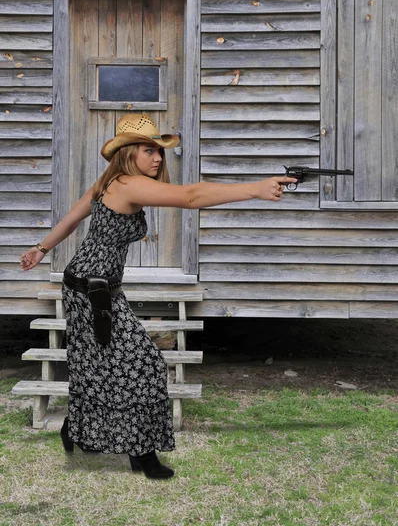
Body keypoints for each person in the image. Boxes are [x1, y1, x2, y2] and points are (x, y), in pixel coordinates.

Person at [20, 113, 296, 479]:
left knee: (94, 365)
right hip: (91, 292)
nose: (157, 158)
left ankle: (77, 430)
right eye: (149, 150)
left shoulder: (109, 182)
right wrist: (254, 188)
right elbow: (190, 196)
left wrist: (40, 248)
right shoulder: (126, 185)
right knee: (145, 365)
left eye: (160, 152)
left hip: (89, 287)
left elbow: (72, 219)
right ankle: (142, 455)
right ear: (129, 152)